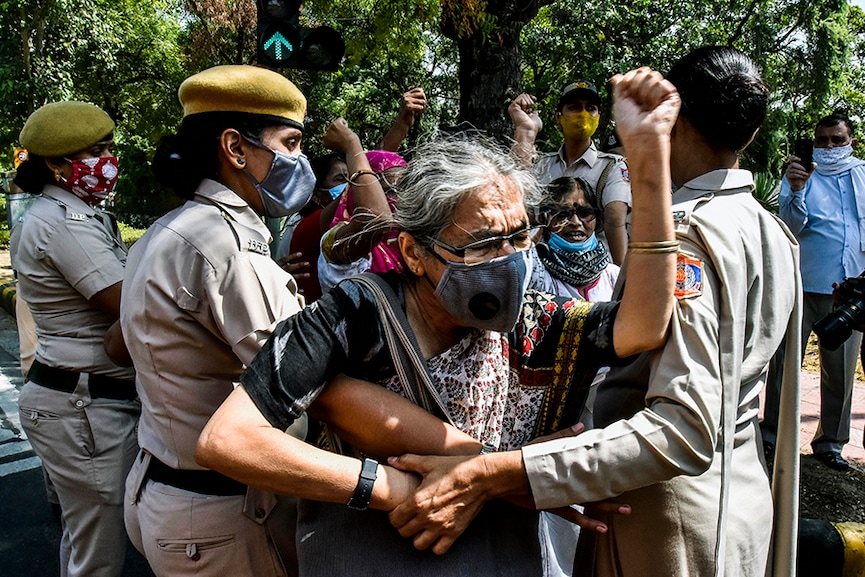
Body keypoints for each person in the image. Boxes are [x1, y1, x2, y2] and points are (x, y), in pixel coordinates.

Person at [194, 65, 678, 576]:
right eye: (484, 245)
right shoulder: (356, 316)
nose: (510, 259)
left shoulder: (535, 324)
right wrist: (398, 486)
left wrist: (648, 163)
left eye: (519, 238)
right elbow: (229, 440)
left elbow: (643, 325)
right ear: (413, 252)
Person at [381, 50, 801, 577]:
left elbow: (683, 428)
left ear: (675, 118)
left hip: (664, 517)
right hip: (740, 501)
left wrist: (498, 472)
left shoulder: (687, 235)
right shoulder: (772, 230)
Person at [117, 64, 328, 577]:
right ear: (235, 148)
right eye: (291, 143)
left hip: (169, 492)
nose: (301, 162)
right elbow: (309, 380)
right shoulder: (226, 247)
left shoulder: (169, 229)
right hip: (218, 517)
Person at [11, 101, 139, 577]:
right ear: (57, 163)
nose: (109, 160)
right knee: (97, 558)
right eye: (96, 151)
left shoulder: (79, 214)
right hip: (84, 408)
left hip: (84, 399)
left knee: (85, 544)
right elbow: (133, 306)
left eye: (108, 148)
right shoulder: (61, 222)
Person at [763, 112, 865, 472]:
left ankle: (831, 443)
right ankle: (772, 432)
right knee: (784, 363)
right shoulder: (799, 175)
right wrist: (797, 190)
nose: (829, 147)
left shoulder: (862, 175)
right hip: (803, 282)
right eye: (822, 140)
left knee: (840, 369)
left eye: (837, 140)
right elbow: (788, 227)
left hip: (849, 290)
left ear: (851, 141)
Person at [509, 81, 631, 265]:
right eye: (574, 107)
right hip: (547, 273)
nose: (583, 114)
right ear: (558, 116)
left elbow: (615, 221)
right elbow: (515, 201)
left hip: (596, 275)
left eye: (590, 108)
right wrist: (525, 131)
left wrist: (621, 281)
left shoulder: (612, 167)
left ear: (599, 116)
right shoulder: (542, 166)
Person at [318, 147, 407, 293]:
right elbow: (376, 221)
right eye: (388, 191)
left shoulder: (412, 239)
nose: (398, 199)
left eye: (405, 189)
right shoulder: (341, 241)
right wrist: (350, 143)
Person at [528, 176, 620, 301]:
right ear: (545, 220)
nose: (576, 222)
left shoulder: (613, 277)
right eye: (563, 214)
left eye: (585, 213)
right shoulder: (536, 274)